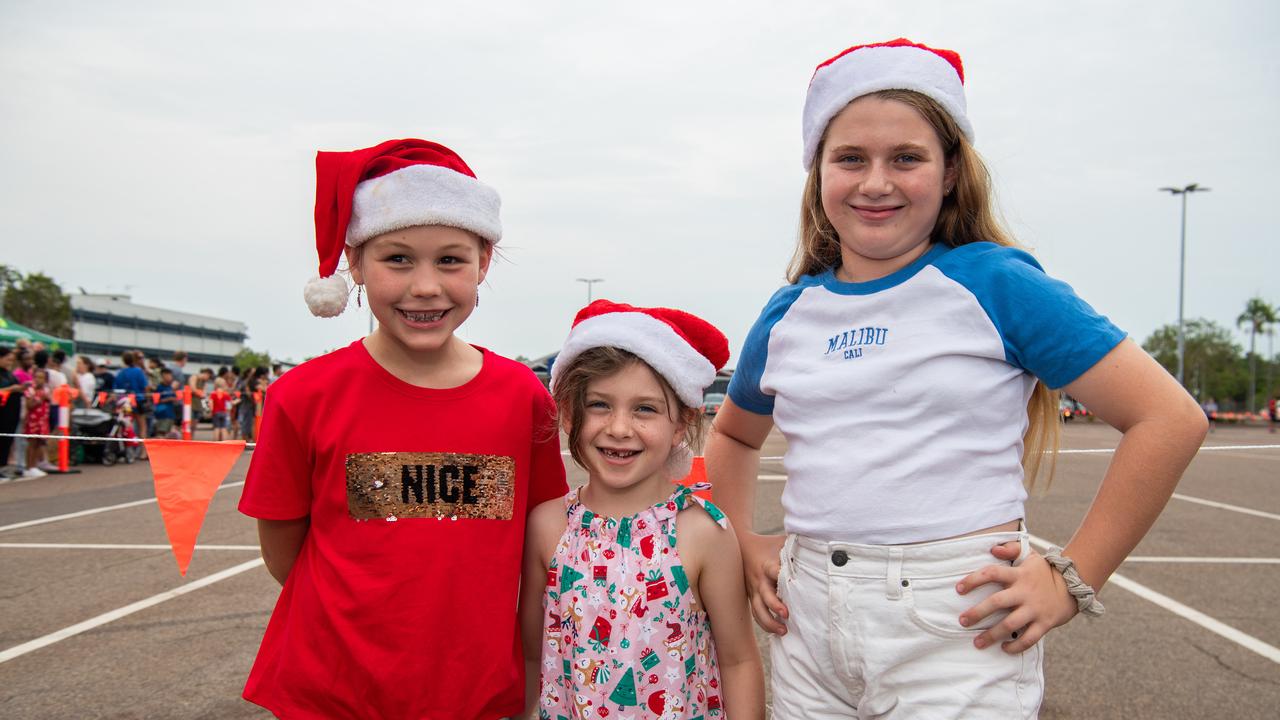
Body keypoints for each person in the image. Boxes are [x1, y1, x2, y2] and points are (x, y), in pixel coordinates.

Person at [705, 39, 1208, 718]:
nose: (875, 182)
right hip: (808, 626)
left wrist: (1073, 578)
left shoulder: (996, 283)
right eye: (849, 157)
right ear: (817, 174)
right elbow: (733, 438)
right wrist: (745, 539)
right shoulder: (791, 311)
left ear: (948, 173)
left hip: (955, 628)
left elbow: (1169, 419)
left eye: (906, 158)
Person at [237, 138, 567, 719]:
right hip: (335, 690)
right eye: (397, 259)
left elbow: (540, 538)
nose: (425, 286)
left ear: (483, 263)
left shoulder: (522, 397)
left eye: (450, 259)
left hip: (478, 691)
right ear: (355, 265)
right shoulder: (303, 397)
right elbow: (284, 552)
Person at [523, 300, 764, 718]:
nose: (619, 428)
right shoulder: (547, 526)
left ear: (682, 423)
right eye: (599, 404)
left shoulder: (704, 532)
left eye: (645, 409)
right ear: (567, 413)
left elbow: (738, 660)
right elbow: (531, 655)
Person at [0, 346, 29, 479]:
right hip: (3, 413)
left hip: (12, 413)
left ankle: (2, 467)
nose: (9, 363)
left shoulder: (9, 373)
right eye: (7, 360)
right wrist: (11, 389)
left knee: (7, 440)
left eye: (11, 360)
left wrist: (22, 388)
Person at [22, 368, 51, 479]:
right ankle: (28, 467)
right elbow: (29, 405)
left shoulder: (46, 390)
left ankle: (34, 466)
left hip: (43, 420)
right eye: (37, 377)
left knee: (39, 443)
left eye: (42, 378)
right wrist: (40, 399)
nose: (39, 380)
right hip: (33, 420)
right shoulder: (31, 390)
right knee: (32, 443)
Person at [210, 377, 231, 441]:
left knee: (216, 428)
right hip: (224, 413)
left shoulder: (213, 394)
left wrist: (211, 411)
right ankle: (225, 443)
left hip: (216, 413)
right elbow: (229, 405)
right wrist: (228, 412)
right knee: (224, 428)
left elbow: (211, 403)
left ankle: (216, 443)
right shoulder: (226, 394)